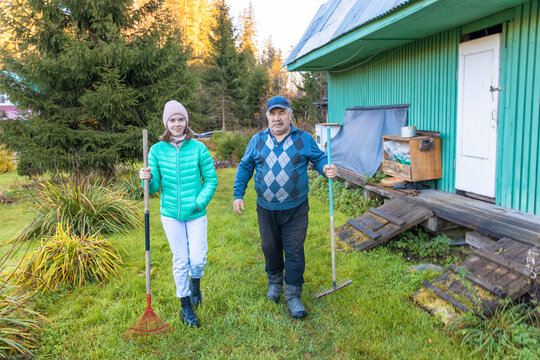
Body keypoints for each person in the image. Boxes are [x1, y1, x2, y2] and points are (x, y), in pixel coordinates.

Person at [233, 96, 337, 319]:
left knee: (294, 250)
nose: (277, 118)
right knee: (269, 248)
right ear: (267, 116)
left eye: (282, 113)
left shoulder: (303, 139)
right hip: (266, 208)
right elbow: (245, 167)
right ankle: (274, 283)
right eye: (273, 114)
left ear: (290, 115)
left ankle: (293, 294)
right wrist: (238, 194)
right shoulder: (257, 140)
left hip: (296, 208)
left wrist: (325, 167)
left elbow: (319, 159)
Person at [139, 100, 217, 327]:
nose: (177, 124)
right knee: (181, 260)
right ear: (166, 123)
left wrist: (199, 202)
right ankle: (185, 305)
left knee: (198, 259)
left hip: (196, 213)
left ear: (186, 122)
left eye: (180, 119)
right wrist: (147, 178)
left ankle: (196, 284)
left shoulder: (199, 148)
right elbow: (153, 189)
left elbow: (211, 180)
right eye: (172, 120)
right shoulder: (156, 150)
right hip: (171, 215)